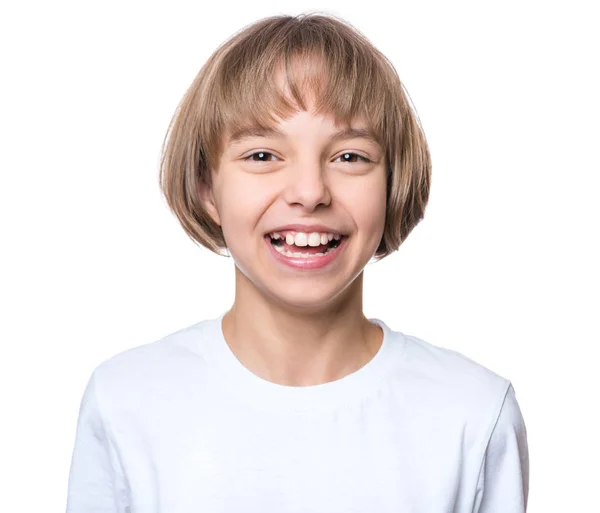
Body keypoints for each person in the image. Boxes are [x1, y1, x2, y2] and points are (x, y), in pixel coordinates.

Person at [65, 12, 529, 513]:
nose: (309, 193)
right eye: (262, 156)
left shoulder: (474, 413)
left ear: (392, 185)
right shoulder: (126, 403)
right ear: (207, 189)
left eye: (350, 157)